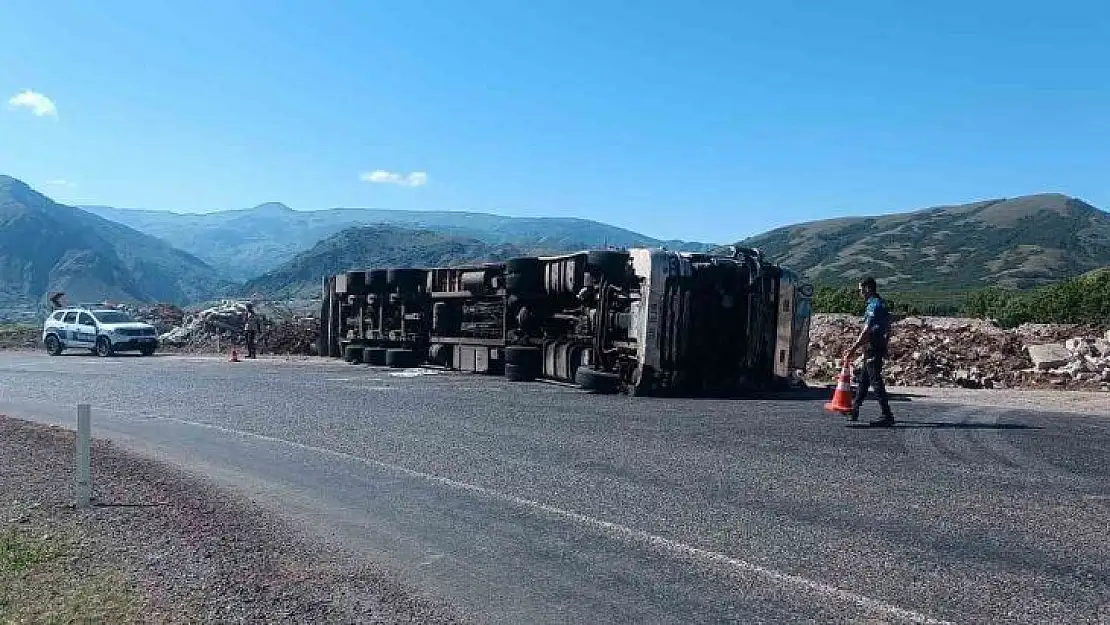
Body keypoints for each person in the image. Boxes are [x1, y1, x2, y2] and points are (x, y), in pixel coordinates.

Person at [843, 277, 895, 426]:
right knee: (864, 380)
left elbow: (866, 331)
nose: (860, 293)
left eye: (860, 290)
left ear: (867, 289)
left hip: (873, 346)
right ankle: (855, 408)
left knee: (875, 380)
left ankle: (887, 414)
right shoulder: (880, 304)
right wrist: (885, 344)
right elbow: (888, 325)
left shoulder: (874, 305)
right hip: (874, 346)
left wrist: (853, 349)